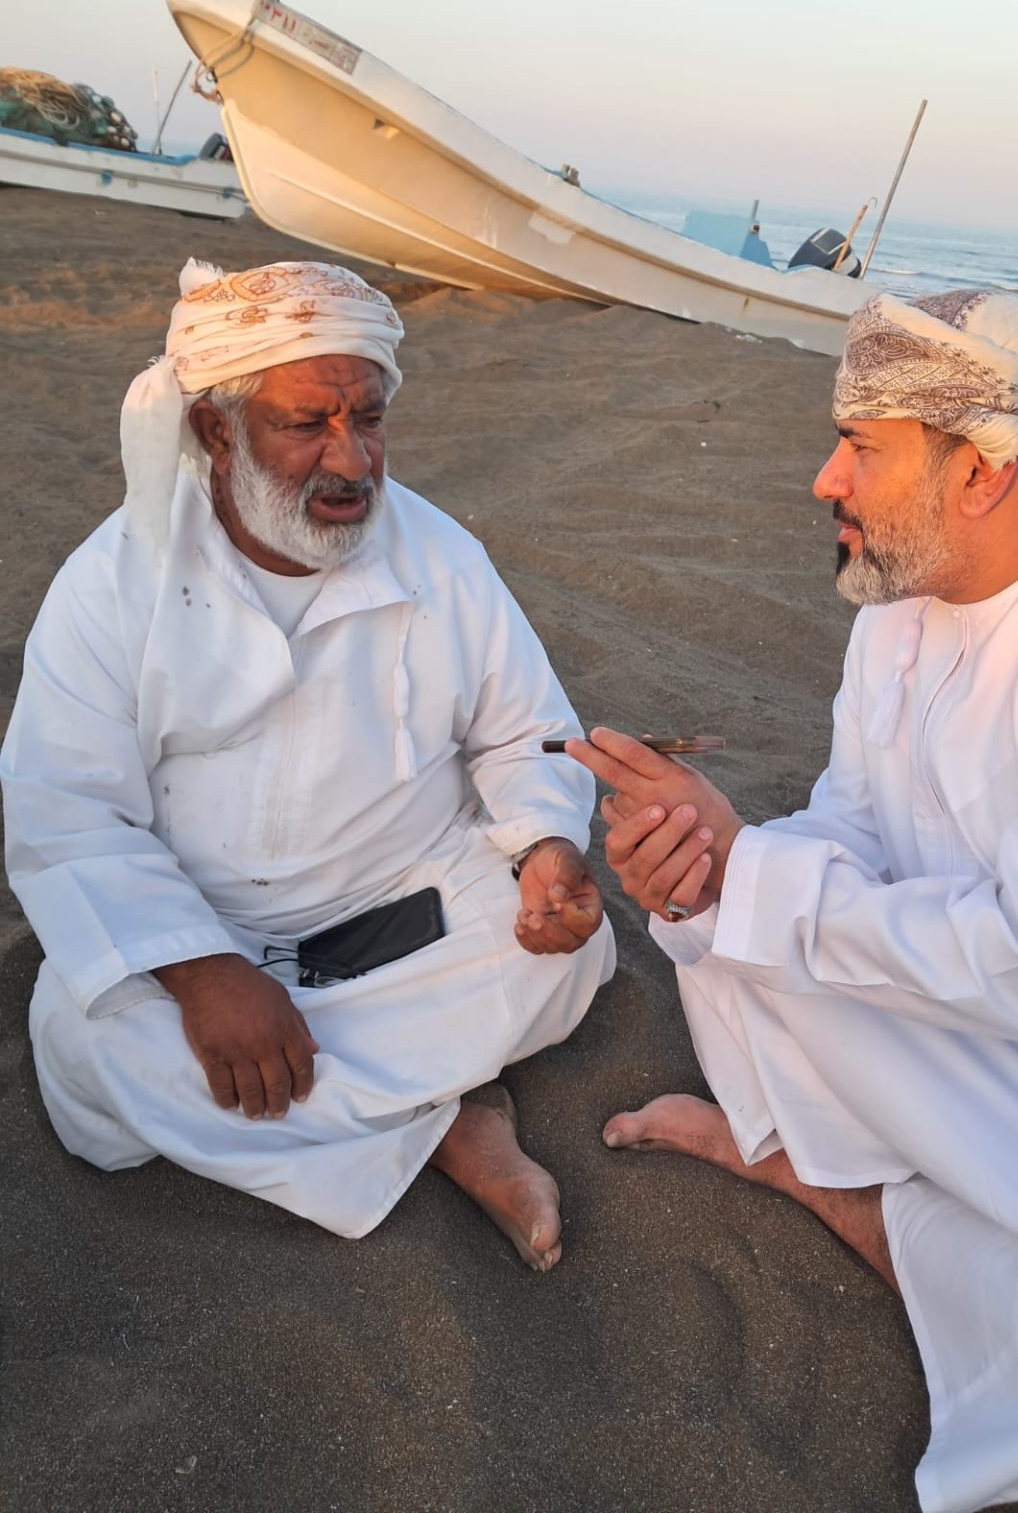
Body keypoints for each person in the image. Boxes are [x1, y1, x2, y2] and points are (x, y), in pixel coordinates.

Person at [567, 291, 1018, 1511]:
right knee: (726, 926)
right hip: (953, 1005)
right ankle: (857, 1174)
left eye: (861, 447)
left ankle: (824, 1183)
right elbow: (851, 828)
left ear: (981, 471)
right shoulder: (901, 600)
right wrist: (702, 862)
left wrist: (755, 874)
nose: (825, 479)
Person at [1, 258, 615, 1271]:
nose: (353, 458)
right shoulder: (111, 584)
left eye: (368, 418)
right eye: (307, 424)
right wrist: (205, 974)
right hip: (200, 928)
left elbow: (525, 732)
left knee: (569, 955)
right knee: (92, 1051)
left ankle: (361, 1116)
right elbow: (65, 810)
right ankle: (448, 1124)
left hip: (403, 903)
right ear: (216, 431)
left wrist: (546, 843)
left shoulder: (441, 557)